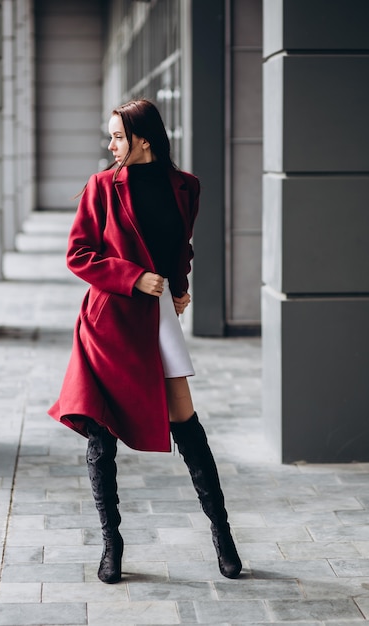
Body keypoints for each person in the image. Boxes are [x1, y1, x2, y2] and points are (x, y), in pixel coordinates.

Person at [48, 99, 242, 584]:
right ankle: (111, 545)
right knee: (101, 429)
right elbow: (79, 253)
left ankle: (223, 537)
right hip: (109, 318)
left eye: (117, 136)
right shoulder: (101, 187)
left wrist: (178, 286)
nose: (111, 145)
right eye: (110, 136)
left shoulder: (185, 186)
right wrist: (134, 278)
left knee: (186, 421)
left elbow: (181, 244)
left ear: (145, 138)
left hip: (157, 316)